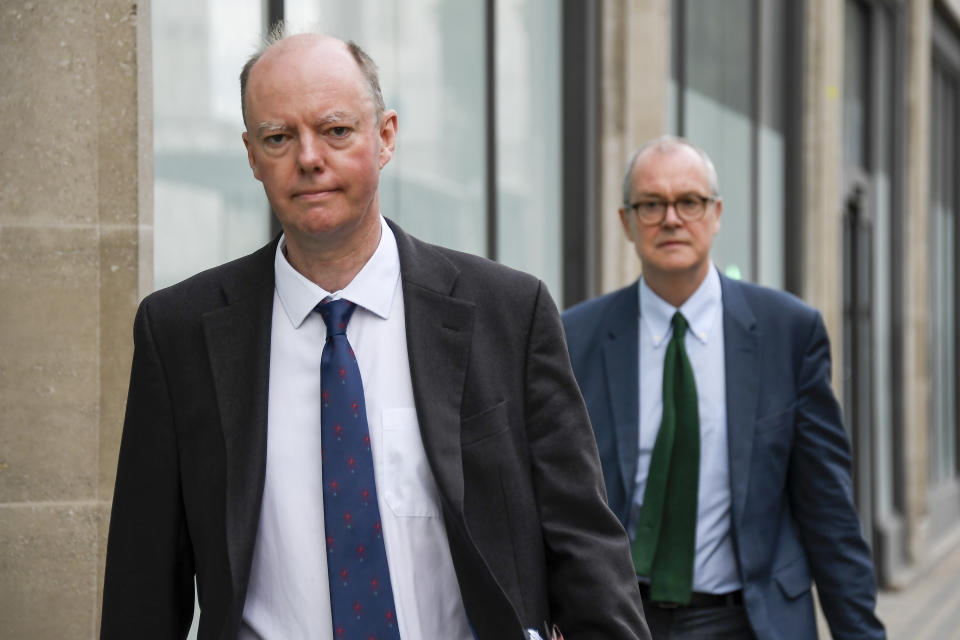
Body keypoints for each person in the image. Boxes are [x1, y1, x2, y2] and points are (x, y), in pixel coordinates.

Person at [100, 29, 650, 640]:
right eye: (279, 137)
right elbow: (143, 586)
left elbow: (585, 549)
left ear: (385, 136)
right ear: (252, 155)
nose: (309, 158)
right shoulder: (177, 333)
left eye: (336, 131)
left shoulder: (507, 312)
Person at [562, 136, 886, 640]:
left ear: (715, 214)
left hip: (746, 621)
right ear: (626, 221)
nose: (671, 219)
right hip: (619, 620)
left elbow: (828, 509)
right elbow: (556, 501)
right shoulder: (574, 337)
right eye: (651, 205)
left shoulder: (788, 333)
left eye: (688, 202)